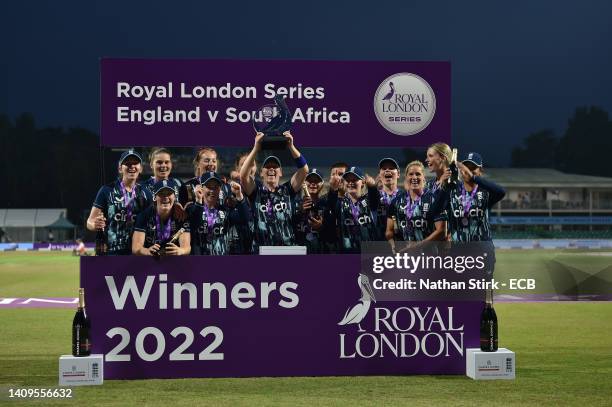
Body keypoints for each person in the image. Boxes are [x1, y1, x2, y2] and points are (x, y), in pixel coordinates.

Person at [240, 131, 308, 248]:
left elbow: (304, 170)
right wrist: (256, 148)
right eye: (267, 167)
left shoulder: (287, 190)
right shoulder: (256, 192)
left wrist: (291, 147)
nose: (271, 168)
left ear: (281, 172)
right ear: (261, 173)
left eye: (275, 166)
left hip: (287, 250)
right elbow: (243, 175)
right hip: (261, 251)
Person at [86, 149, 153, 255]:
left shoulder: (146, 193)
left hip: (137, 254)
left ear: (140, 168)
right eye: (127, 163)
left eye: (135, 163)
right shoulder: (106, 190)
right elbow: (89, 222)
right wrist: (95, 224)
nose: (132, 166)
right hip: (112, 253)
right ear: (120, 168)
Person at [385, 161, 446, 253]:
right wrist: (393, 245)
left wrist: (416, 247)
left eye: (418, 174)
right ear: (406, 177)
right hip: (405, 257)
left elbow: (441, 231)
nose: (414, 177)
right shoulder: (396, 201)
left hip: (429, 257)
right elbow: (389, 231)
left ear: (423, 177)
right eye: (411, 174)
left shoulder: (434, 199)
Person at [190, 172, 250, 255]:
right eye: (209, 186)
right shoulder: (193, 208)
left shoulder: (226, 211)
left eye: (216, 187)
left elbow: (245, 218)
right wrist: (198, 200)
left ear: (220, 189)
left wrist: (239, 196)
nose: (212, 190)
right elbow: (193, 223)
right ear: (201, 188)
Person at [132, 179, 191, 256]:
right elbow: (136, 248)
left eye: (169, 193)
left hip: (174, 262)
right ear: (155, 197)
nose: (165, 197)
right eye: (161, 193)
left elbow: (186, 247)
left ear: (174, 196)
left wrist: (180, 251)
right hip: (150, 262)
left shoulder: (181, 216)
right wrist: (146, 251)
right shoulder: (145, 215)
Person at [328, 166, 379, 253]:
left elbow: (374, 198)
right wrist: (333, 190)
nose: (350, 183)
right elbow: (330, 206)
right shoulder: (340, 203)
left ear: (362, 182)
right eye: (348, 180)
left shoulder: (368, 201)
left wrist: (372, 187)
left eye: (354, 180)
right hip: (347, 254)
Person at [293, 168, 333, 253]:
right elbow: (289, 225)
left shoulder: (326, 205)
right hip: (300, 249)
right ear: (304, 183)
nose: (313, 184)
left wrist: (321, 226)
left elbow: (332, 231)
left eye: (316, 181)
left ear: (322, 184)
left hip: (320, 250)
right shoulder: (295, 203)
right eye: (309, 180)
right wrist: (300, 212)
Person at [375, 158, 401, 238]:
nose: (387, 170)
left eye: (391, 168)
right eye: (384, 168)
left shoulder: (405, 197)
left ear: (398, 174)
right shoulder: (373, 198)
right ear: (379, 174)